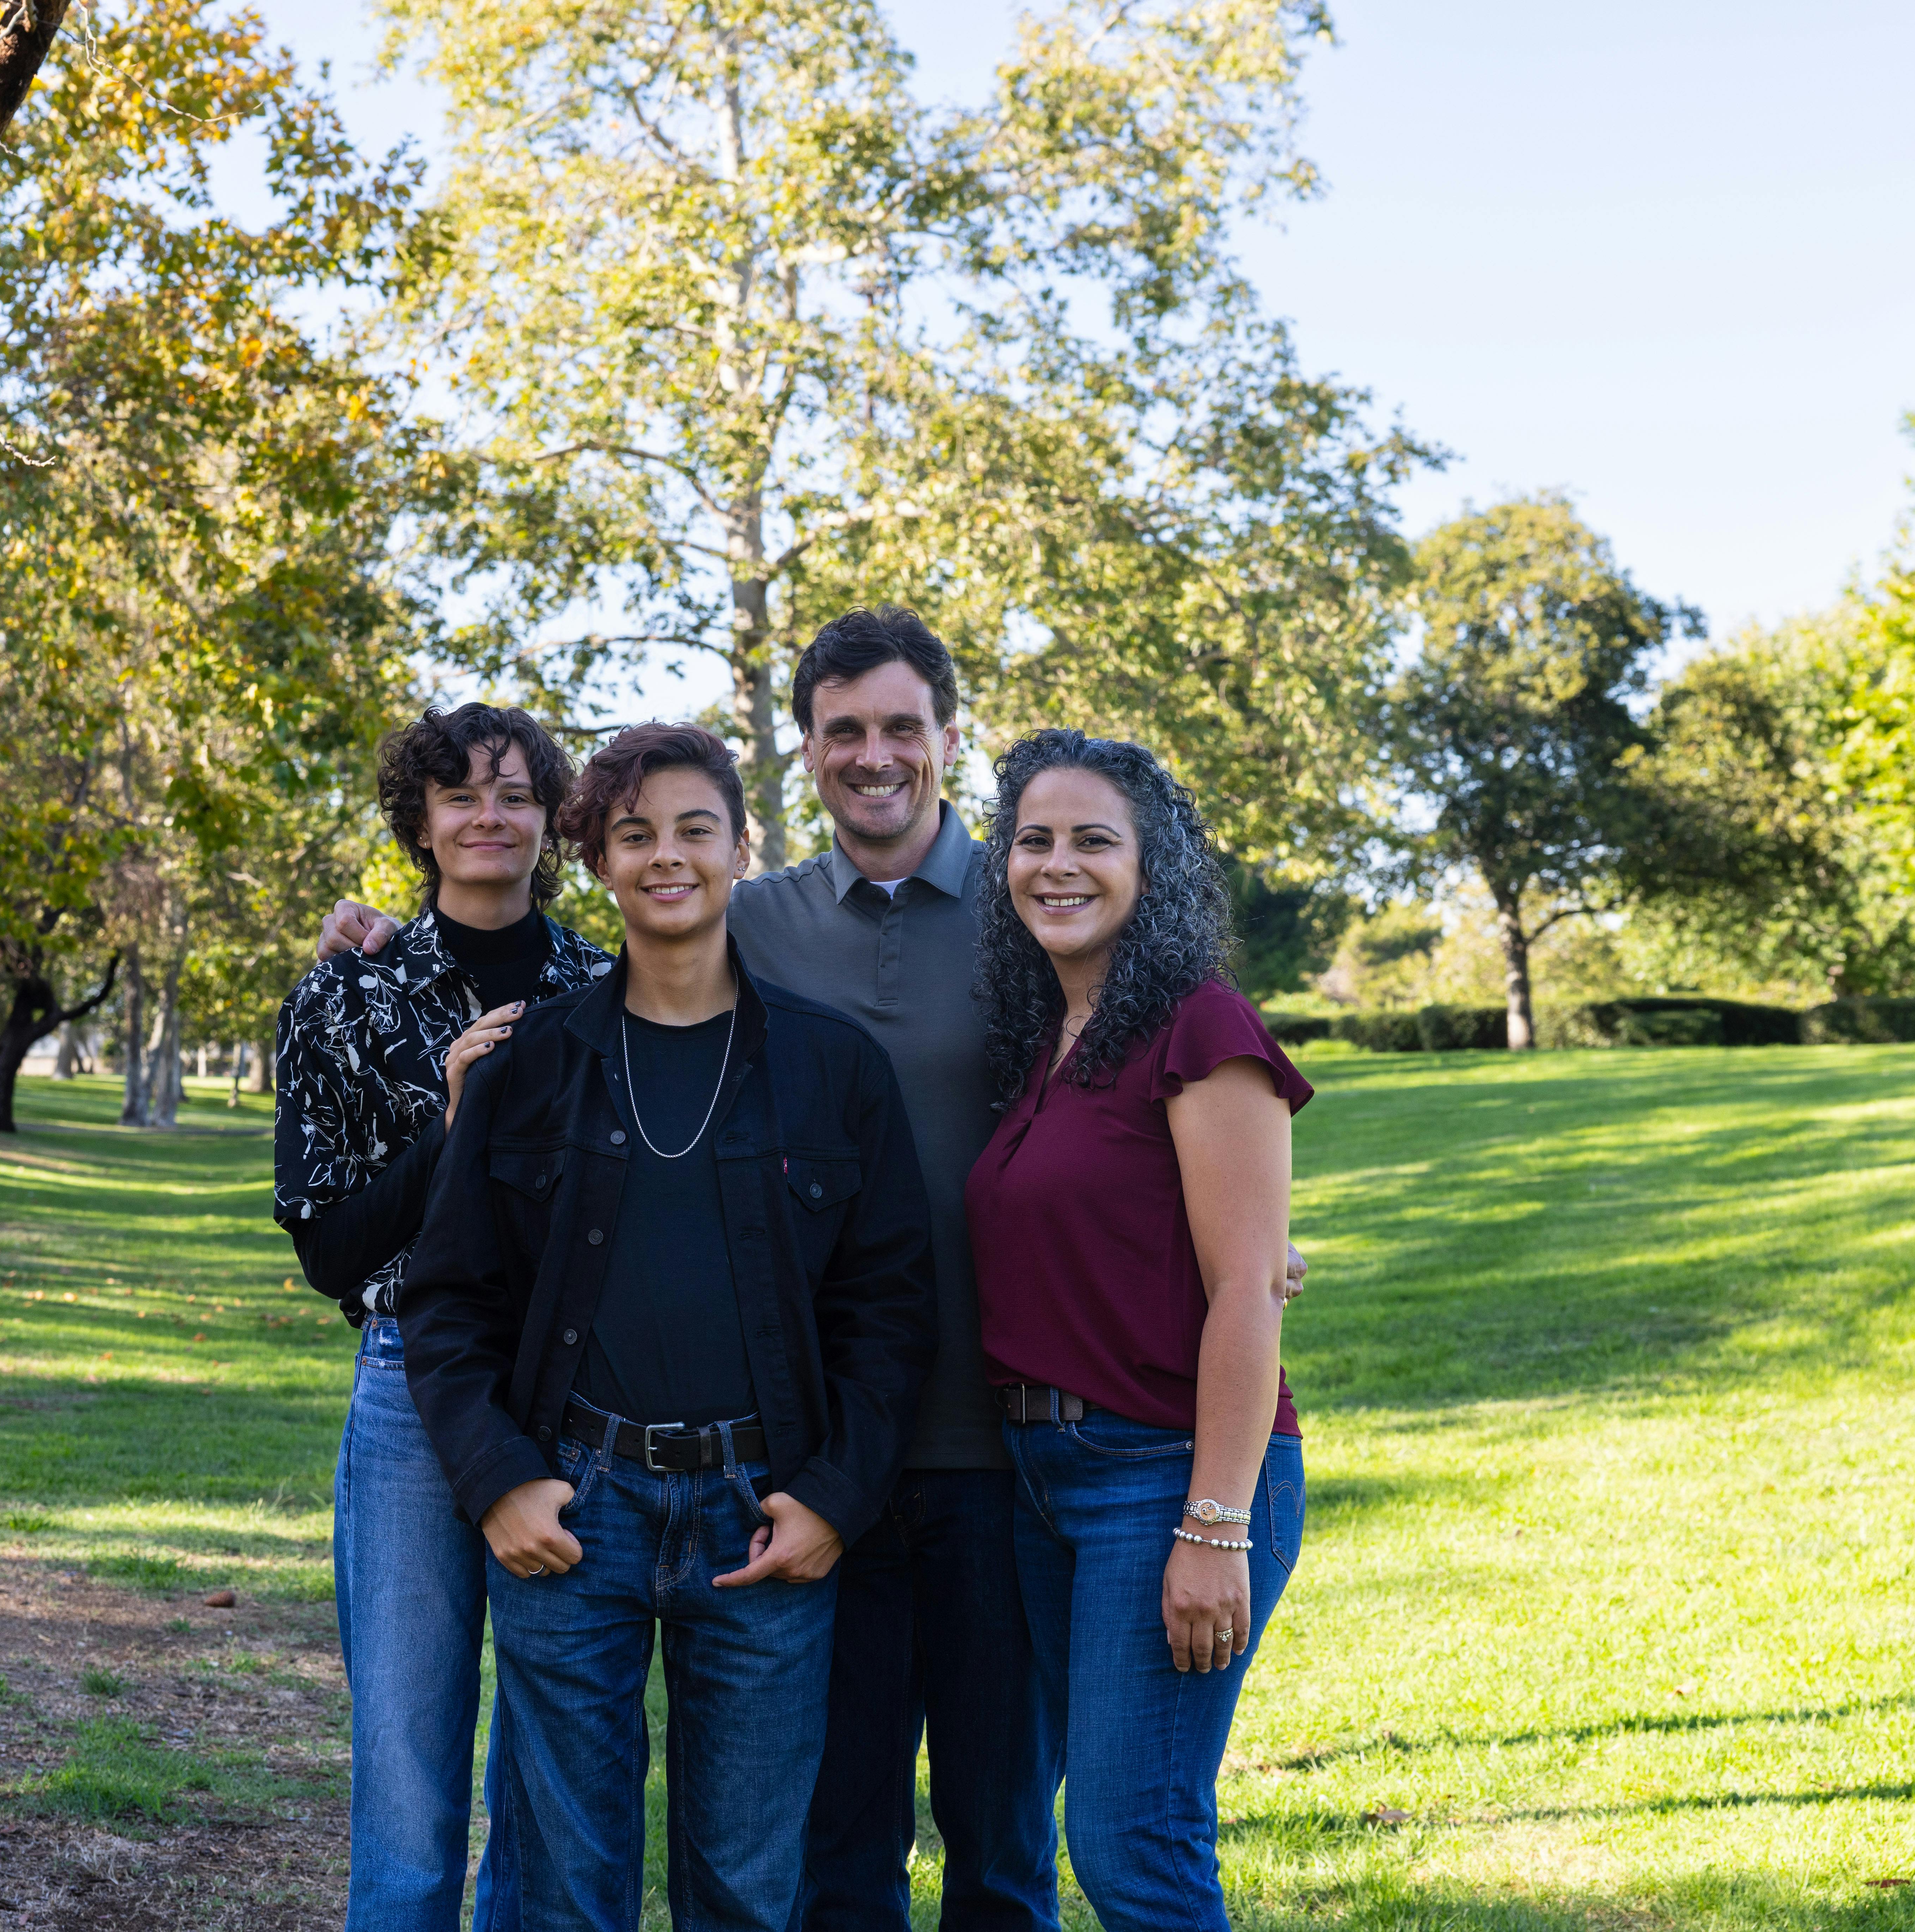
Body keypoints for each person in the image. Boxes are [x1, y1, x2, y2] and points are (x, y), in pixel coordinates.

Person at [318, 609, 1304, 1932]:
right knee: (797, 1848)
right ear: (802, 759)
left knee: (1006, 1835)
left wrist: (1245, 1246)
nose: (876, 755)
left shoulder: (1029, 930)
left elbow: (1150, 1127)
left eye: (904, 727)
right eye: (845, 731)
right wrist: (409, 919)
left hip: (976, 1462)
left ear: (949, 742)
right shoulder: (675, 974)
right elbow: (463, 1261)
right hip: (741, 1468)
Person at [398, 723, 938, 1932]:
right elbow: (444, 1302)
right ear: (597, 861)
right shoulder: (532, 1066)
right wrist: (499, 1484)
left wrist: (836, 1498)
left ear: (743, 848)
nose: (667, 857)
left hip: (764, 1513)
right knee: (564, 1894)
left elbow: (893, 1313)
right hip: (573, 1512)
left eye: (697, 829)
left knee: (748, 1891)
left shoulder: (833, 1068)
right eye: (635, 835)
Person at [273, 703, 614, 1932]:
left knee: (548, 1762)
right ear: (419, 822)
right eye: (462, 795)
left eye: (516, 794)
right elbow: (330, 1249)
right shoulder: (345, 998)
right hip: (414, 1392)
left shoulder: (606, 988)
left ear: (549, 822)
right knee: (411, 1763)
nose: (490, 816)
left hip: (579, 1396)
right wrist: (454, 1124)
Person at [963, 729, 1309, 1932]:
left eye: (1093, 842)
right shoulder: (1044, 1040)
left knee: (1132, 1841)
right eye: (1034, 840)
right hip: (1038, 1480)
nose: (1058, 865)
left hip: (1164, 1477)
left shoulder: (1200, 1027)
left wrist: (1214, 1526)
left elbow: (1247, 1291)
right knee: (1100, 1826)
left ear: (1151, 869)